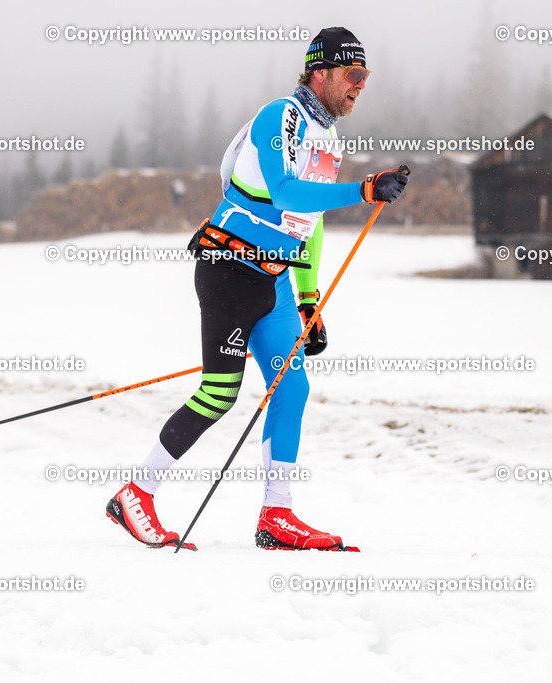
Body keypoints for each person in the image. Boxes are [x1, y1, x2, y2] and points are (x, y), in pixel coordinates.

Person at [106, 27, 408, 551]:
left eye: (366, 76)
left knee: (292, 388)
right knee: (219, 394)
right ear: (322, 73)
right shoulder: (280, 117)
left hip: (276, 282)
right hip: (227, 270)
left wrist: (309, 299)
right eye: (353, 74)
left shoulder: (328, 137)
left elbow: (306, 221)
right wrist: (362, 189)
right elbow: (285, 190)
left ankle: (277, 515)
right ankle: (136, 493)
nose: (361, 85)